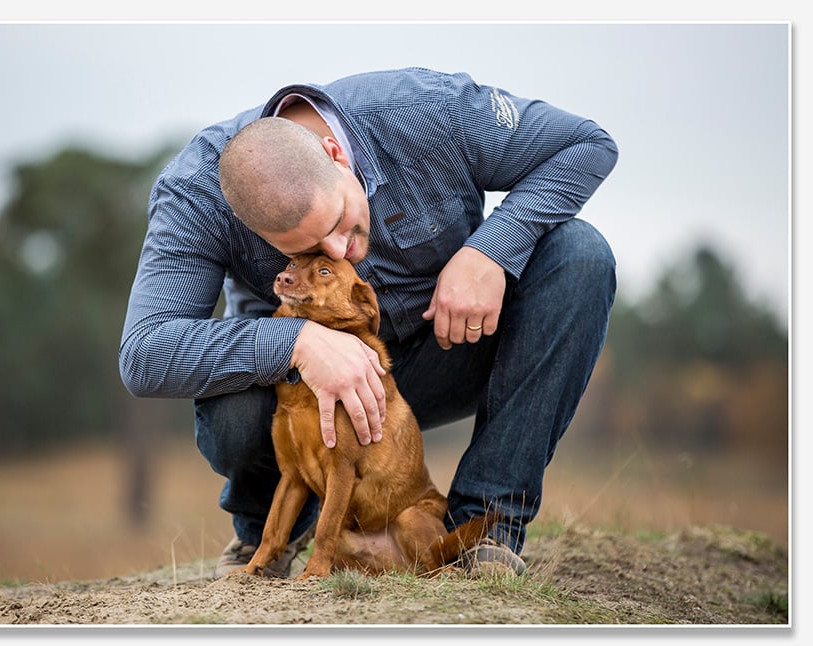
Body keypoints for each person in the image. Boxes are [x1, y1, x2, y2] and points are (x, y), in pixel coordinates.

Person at [119, 67, 618, 578]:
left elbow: (588, 144)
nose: (340, 249)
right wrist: (299, 343)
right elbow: (144, 354)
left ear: (336, 156)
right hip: (302, 395)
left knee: (581, 255)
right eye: (304, 250)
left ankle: (488, 526)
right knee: (232, 401)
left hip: (450, 346)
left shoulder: (429, 111)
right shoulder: (195, 195)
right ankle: (268, 538)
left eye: (338, 222)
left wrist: (490, 250)